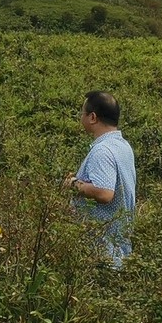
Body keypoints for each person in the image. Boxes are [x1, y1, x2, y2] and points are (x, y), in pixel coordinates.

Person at [62, 90, 137, 268]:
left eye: (83, 113)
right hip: (119, 246)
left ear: (92, 117)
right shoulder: (123, 146)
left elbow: (104, 193)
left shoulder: (102, 151)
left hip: (102, 250)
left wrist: (74, 184)